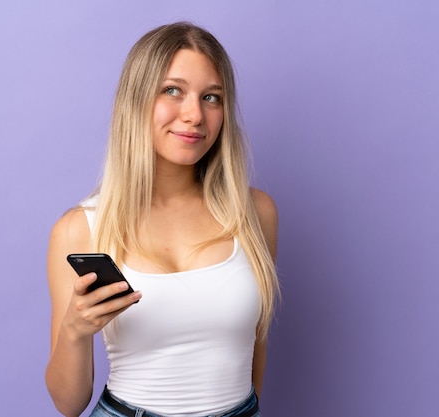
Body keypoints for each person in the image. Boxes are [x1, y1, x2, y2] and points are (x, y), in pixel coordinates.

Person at [45, 22, 280, 417]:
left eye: (212, 97)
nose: (194, 115)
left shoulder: (255, 214)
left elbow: (255, 346)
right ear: (136, 100)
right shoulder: (79, 229)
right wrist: (74, 330)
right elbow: (68, 405)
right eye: (173, 91)